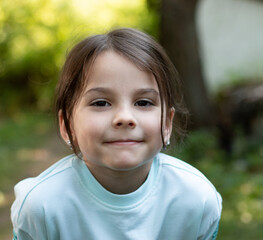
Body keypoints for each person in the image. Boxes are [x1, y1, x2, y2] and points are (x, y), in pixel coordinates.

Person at [11, 28, 222, 240]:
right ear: (68, 126)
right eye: (101, 103)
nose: (124, 117)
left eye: (143, 102)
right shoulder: (41, 207)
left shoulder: (197, 200)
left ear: (167, 124)